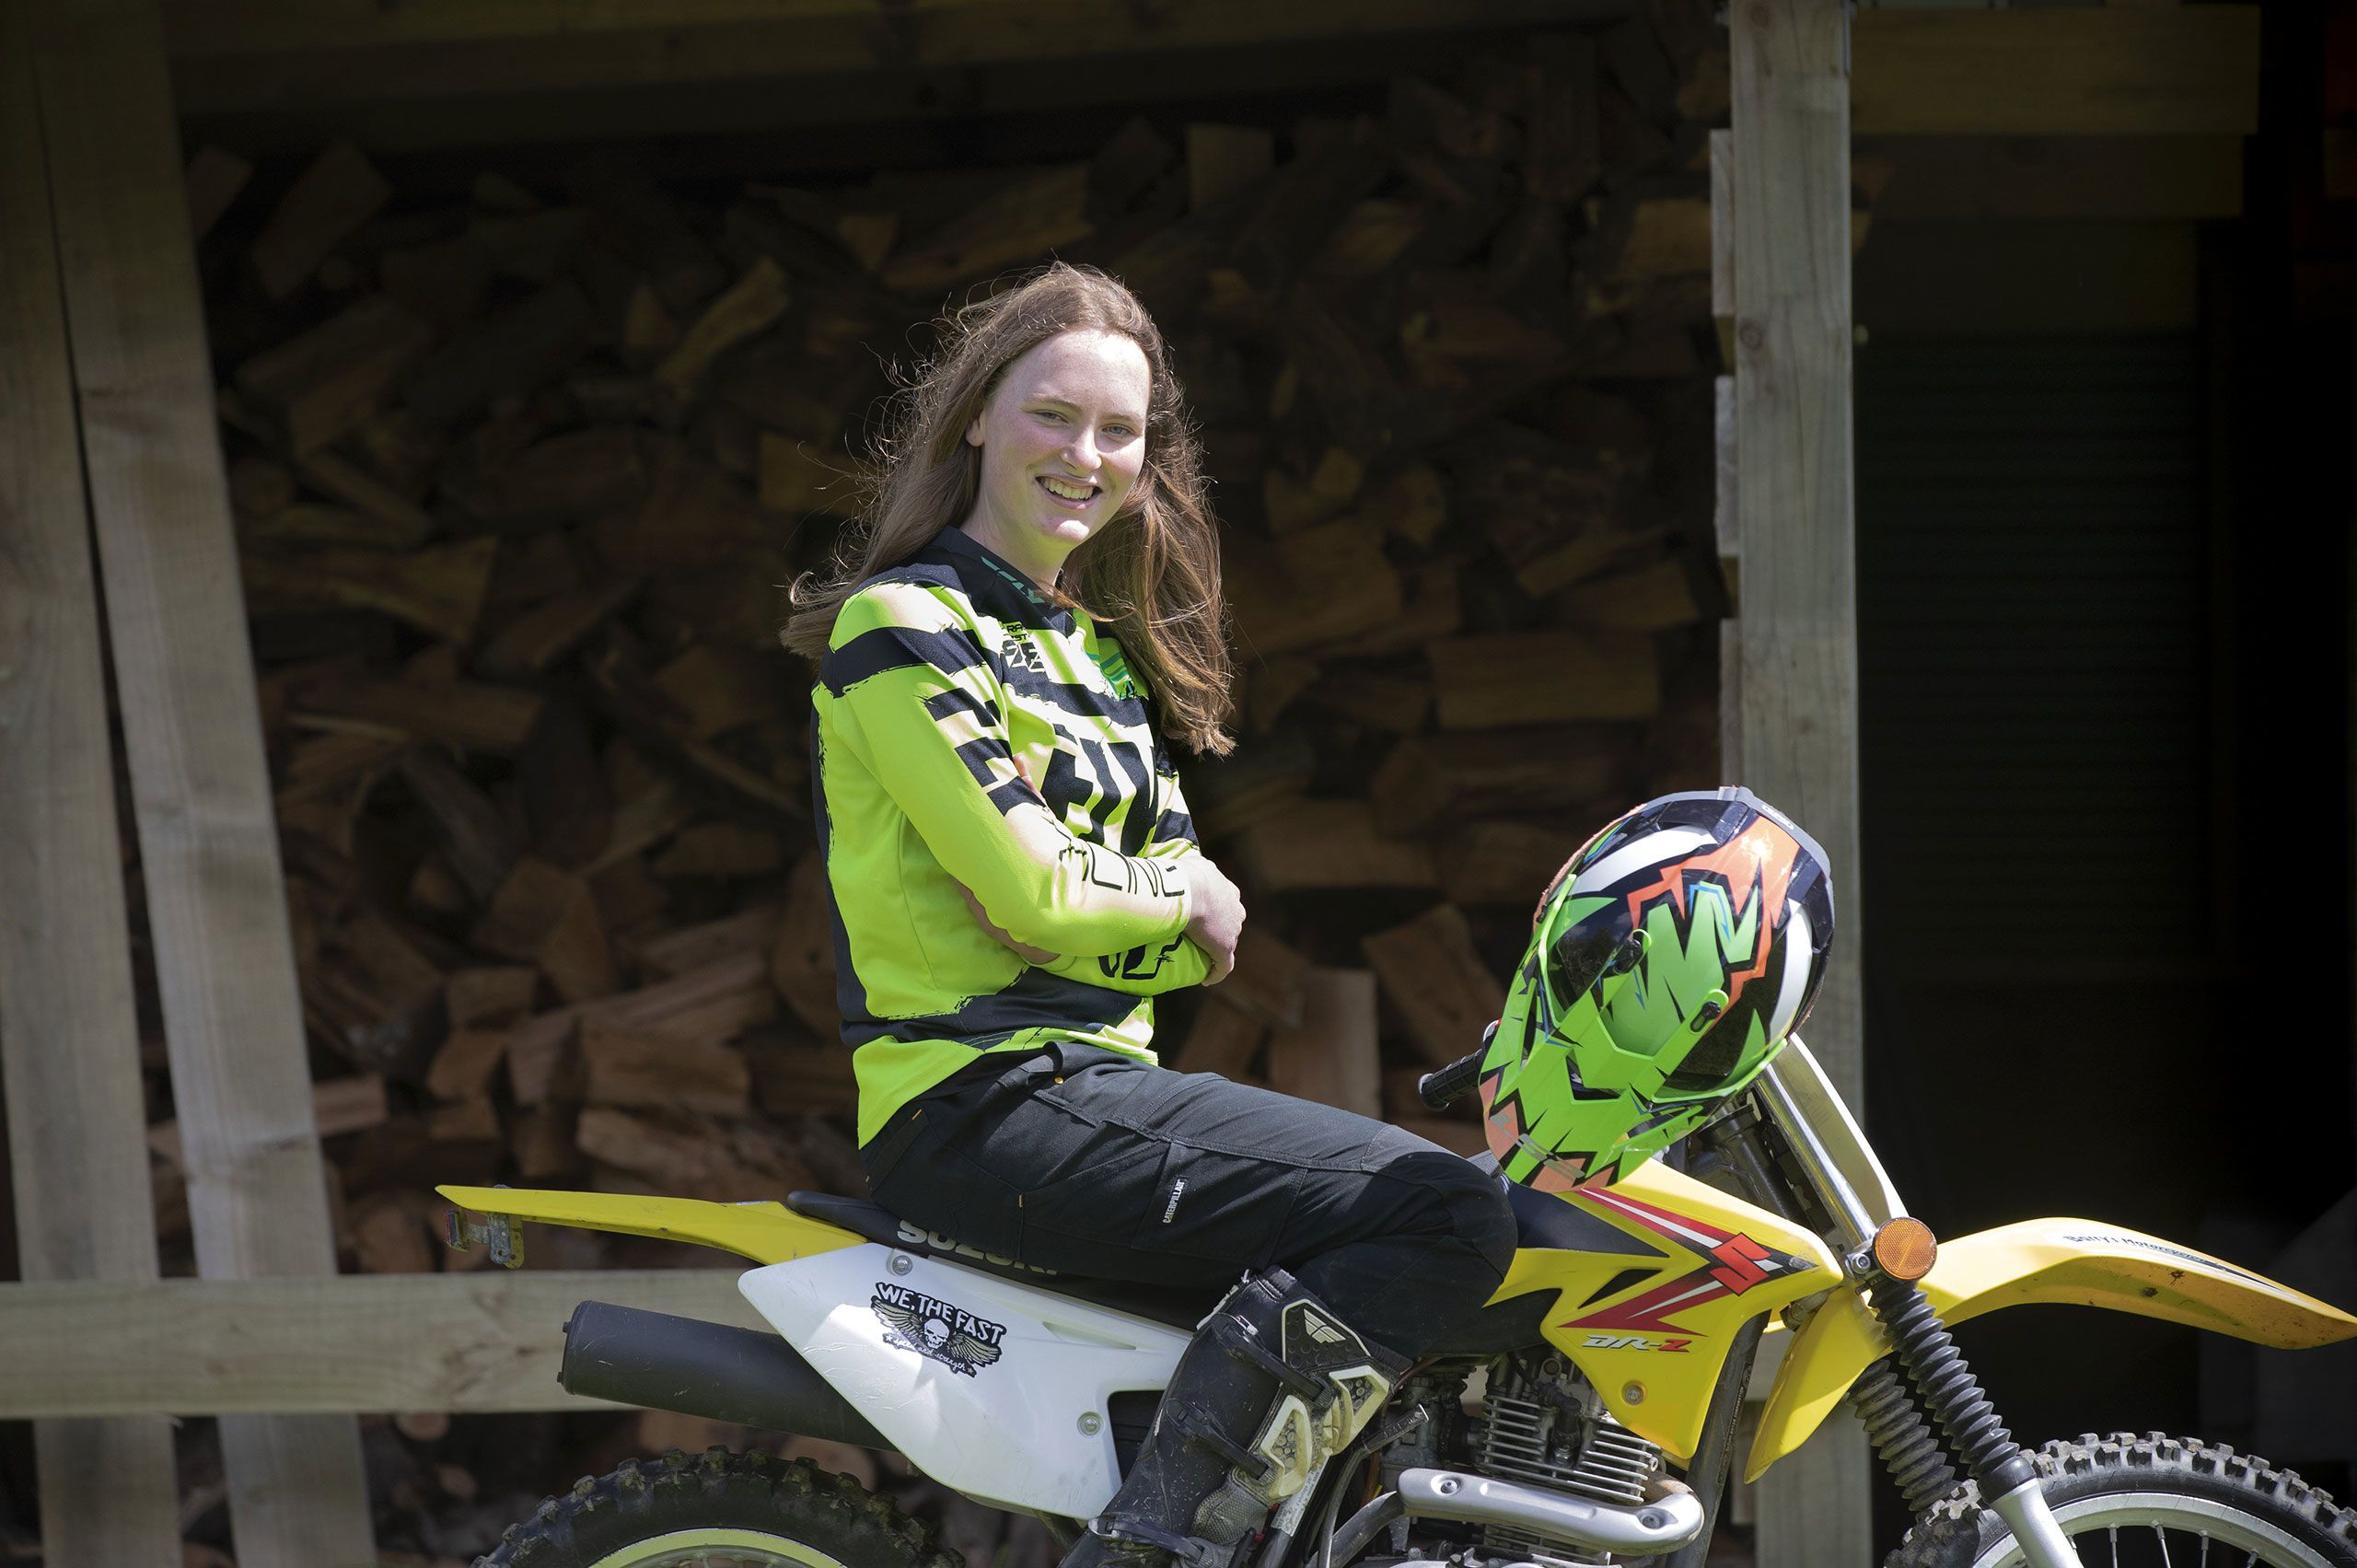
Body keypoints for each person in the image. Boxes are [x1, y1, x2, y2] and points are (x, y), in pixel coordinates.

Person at [783, 263, 1517, 1568]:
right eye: (1052, 415)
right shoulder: (901, 626)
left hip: (1097, 1086)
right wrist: (1151, 895)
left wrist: (1101, 905)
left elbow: (1183, 950)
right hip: (983, 1102)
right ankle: (1156, 1551)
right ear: (975, 418)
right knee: (1445, 1214)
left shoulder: (1100, 660)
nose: (1086, 454)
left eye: (1118, 430)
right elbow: (1055, 896)